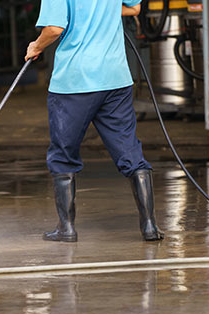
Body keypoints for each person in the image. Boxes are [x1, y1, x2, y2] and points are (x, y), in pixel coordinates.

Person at [25, 0, 164, 242]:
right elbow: (134, 8)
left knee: (63, 153)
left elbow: (54, 29)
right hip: (115, 78)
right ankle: (150, 226)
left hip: (75, 81)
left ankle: (66, 228)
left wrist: (36, 46)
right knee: (129, 151)